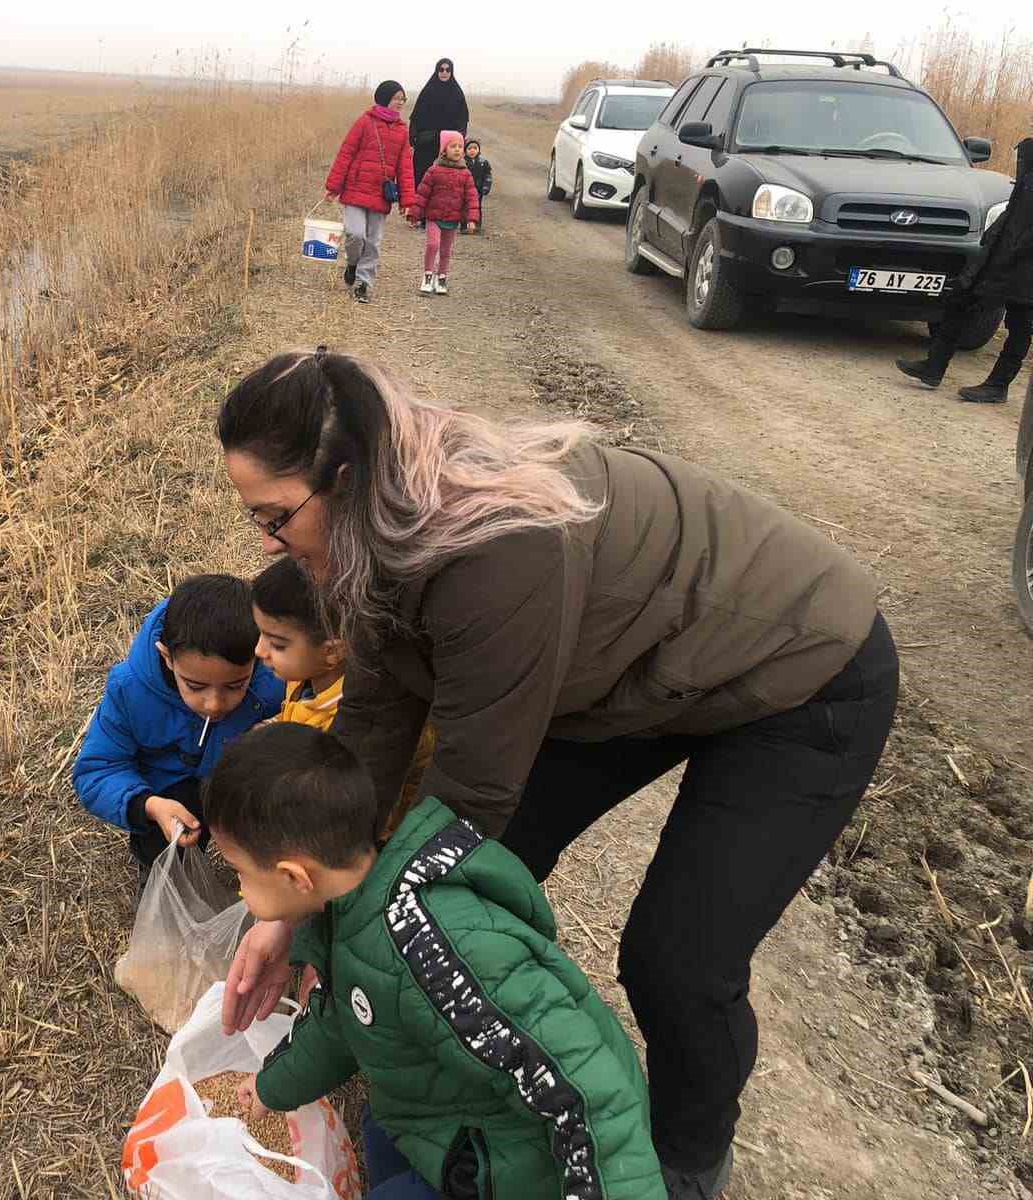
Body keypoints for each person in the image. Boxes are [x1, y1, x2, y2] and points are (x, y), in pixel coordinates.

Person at [217, 349, 899, 1200]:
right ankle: (451, 1077)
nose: (271, 542)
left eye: (273, 517)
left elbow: (468, 799)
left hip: (799, 669)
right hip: (631, 676)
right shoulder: (371, 529)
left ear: (342, 475)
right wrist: (299, 909)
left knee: (675, 956)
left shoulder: (492, 551)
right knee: (460, 880)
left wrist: (343, 924)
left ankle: (687, 1162)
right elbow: (373, 726)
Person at [205, 724, 667, 1200]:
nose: (239, 888)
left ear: (294, 876)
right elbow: (342, 1022)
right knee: (379, 1130)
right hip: (441, 1119)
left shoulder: (435, 950)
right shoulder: (348, 912)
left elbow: (590, 1094)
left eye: (240, 872)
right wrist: (270, 1088)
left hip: (521, 1168)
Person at [72, 573, 283, 888]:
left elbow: (314, 709)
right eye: (196, 686)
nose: (214, 704)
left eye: (235, 685)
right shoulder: (130, 691)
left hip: (239, 778)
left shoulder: (275, 676)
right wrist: (149, 806)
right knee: (165, 845)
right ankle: (164, 877)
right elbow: (97, 770)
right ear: (166, 657)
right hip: (170, 797)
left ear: (259, 655)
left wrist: (279, 729)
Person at [251, 556, 434, 833]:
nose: (259, 651)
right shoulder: (307, 674)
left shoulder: (357, 720)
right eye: (261, 635)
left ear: (332, 652)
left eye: (277, 644)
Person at [897, 136, 1033, 402]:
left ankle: (998, 385)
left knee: (1020, 324)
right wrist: (992, 240)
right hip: (1001, 253)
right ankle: (933, 367)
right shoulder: (1028, 166)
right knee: (961, 300)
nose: (1018, 162)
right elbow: (1014, 213)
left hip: (1024, 265)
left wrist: (1014, 253)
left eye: (1021, 159)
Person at [325, 80, 416, 304]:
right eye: (397, 98)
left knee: (373, 242)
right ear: (385, 98)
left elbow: (405, 166)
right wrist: (333, 187)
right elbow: (346, 153)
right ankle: (353, 264)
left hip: (380, 194)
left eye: (403, 99)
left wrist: (408, 200)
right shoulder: (365, 122)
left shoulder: (403, 130)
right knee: (355, 234)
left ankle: (363, 283)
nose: (401, 103)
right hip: (356, 189)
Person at [407, 132, 479, 295]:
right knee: (433, 245)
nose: (457, 150)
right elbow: (422, 194)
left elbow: (472, 197)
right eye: (453, 146)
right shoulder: (434, 170)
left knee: (446, 251)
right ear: (444, 150)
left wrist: (472, 218)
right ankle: (427, 276)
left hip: (452, 219)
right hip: (434, 217)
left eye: (460, 147)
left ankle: (441, 277)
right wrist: (414, 213)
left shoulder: (465, 174)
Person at [408, 58, 469, 186]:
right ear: (437, 71)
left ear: (451, 72)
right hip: (426, 145)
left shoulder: (457, 93)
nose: (444, 72)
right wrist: (414, 138)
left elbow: (463, 119)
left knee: (444, 183)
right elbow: (416, 117)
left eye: (448, 70)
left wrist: (459, 139)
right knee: (421, 181)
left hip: (447, 147)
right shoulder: (427, 91)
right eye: (441, 69)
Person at [464, 138, 494, 233]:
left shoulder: (483, 162)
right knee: (465, 207)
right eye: (469, 148)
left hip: (478, 190)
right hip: (465, 190)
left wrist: (486, 187)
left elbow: (487, 175)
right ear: (465, 150)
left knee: (477, 207)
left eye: (475, 148)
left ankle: (477, 225)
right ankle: (464, 225)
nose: (472, 150)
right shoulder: (462, 162)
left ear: (478, 150)